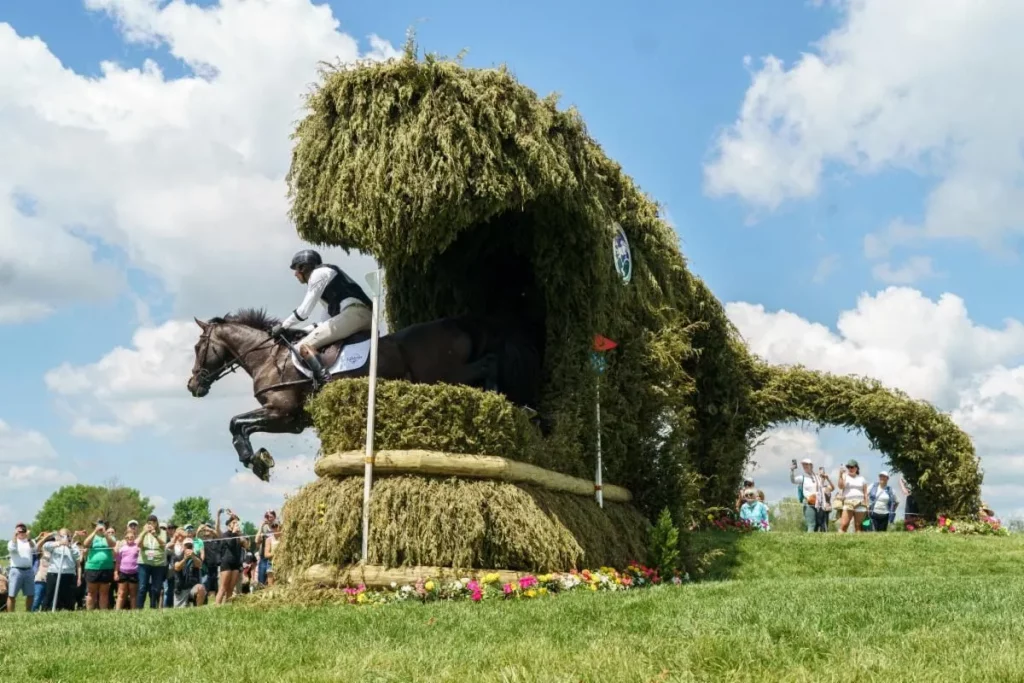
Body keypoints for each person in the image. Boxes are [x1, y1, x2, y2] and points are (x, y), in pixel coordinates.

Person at [269, 249, 373, 384]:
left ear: (303, 267)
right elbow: (325, 322)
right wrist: (299, 331)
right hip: (358, 315)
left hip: (355, 314)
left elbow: (304, 311)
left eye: (296, 269)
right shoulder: (327, 281)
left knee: (304, 345)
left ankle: (326, 382)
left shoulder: (318, 274)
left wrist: (283, 326)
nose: (295, 274)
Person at [43, 529, 82, 611]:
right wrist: (59, 543)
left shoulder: (73, 546)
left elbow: (77, 556)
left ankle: (68, 610)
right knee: (50, 594)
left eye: (66, 536)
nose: (64, 538)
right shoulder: (54, 545)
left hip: (68, 574)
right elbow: (45, 546)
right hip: (54, 573)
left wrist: (69, 546)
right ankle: (46, 610)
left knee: (68, 595)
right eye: (62, 536)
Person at [216, 509, 249, 605]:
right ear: (229, 525)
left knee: (231, 588)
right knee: (223, 587)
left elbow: (246, 545)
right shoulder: (225, 535)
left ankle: (227, 605)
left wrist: (239, 534)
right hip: (226, 563)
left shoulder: (238, 535)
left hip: (236, 563)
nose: (236, 524)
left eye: (236, 523)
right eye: (234, 523)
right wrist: (234, 533)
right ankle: (217, 606)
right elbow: (230, 544)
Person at [82, 520, 117, 610]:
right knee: (91, 592)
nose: (100, 528)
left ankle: (103, 612)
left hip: (106, 567)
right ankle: (89, 612)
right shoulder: (93, 536)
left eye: (102, 526)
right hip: (92, 567)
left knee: (104, 593)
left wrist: (105, 534)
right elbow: (85, 544)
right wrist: (95, 532)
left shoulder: (109, 537)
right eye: (98, 526)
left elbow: (113, 544)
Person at [137, 514, 168, 609]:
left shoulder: (162, 532)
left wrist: (155, 535)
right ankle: (139, 609)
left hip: (158, 563)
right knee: (142, 587)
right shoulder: (143, 532)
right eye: (149, 522)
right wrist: (144, 533)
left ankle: (153, 608)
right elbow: (138, 544)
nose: (152, 524)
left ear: (157, 523)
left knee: (156, 588)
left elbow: (163, 545)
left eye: (154, 522)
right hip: (144, 562)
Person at [7, 522, 35, 612]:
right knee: (12, 594)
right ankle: (11, 613)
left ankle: (28, 612)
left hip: (29, 570)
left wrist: (28, 537)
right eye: (19, 530)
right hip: (16, 570)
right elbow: (12, 549)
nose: (22, 531)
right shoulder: (12, 542)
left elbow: (35, 549)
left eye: (24, 529)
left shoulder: (30, 541)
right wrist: (14, 536)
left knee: (30, 594)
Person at [790, 458, 825, 533]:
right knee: (811, 524)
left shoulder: (817, 477)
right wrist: (792, 470)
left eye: (807, 464)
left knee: (818, 525)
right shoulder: (802, 477)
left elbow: (821, 488)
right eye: (803, 464)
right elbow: (793, 480)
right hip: (808, 502)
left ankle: (814, 542)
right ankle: (808, 542)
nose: (805, 466)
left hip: (818, 503)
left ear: (811, 466)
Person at [172, 539, 206, 607]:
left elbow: (199, 565)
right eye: (186, 546)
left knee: (201, 588)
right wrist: (185, 559)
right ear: (183, 547)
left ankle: (198, 610)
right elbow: (177, 567)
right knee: (179, 614)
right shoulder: (177, 557)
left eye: (190, 546)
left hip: (192, 587)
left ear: (193, 547)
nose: (188, 548)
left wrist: (193, 556)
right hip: (181, 589)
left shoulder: (196, 557)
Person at [838, 460, 869, 533]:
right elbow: (840, 486)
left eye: (852, 467)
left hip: (860, 502)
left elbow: (865, 493)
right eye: (848, 467)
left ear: (856, 468)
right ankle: (838, 540)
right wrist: (840, 475)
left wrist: (867, 504)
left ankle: (859, 541)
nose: (850, 469)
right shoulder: (844, 476)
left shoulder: (862, 478)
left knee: (858, 525)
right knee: (844, 524)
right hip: (848, 502)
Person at [114, 526, 141, 610]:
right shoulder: (122, 548)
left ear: (134, 537)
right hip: (123, 572)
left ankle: (133, 611)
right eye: (128, 537)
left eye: (132, 537)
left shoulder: (137, 547)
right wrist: (115, 573)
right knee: (121, 593)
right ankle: (118, 611)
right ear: (125, 538)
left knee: (133, 594)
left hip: (134, 573)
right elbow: (118, 562)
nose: (130, 538)